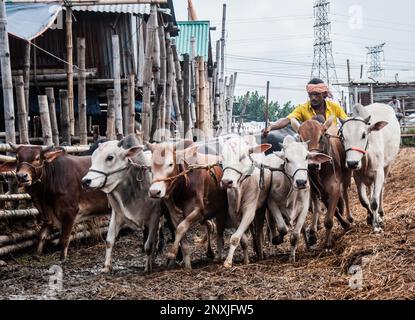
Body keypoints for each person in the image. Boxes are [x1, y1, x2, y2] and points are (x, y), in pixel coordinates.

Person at [263, 78, 347, 136]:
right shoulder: (302, 108)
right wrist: (271, 126)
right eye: (311, 94)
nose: (313, 98)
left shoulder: (335, 107)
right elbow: (287, 120)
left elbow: (347, 123)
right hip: (312, 145)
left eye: (317, 94)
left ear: (324, 94)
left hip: (334, 145)